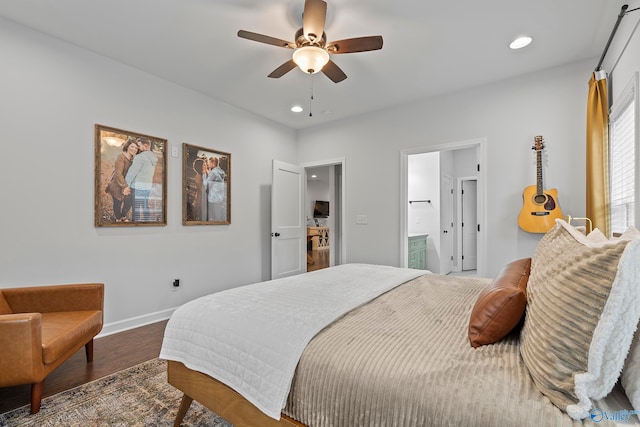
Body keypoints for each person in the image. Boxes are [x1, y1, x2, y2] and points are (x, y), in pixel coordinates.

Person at [125, 139, 158, 222]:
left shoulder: (140, 157)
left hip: (137, 187)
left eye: (139, 146)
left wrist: (126, 185)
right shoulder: (152, 157)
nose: (137, 148)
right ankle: (147, 223)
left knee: (136, 209)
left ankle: (135, 226)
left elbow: (132, 173)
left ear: (145, 146)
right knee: (145, 206)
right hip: (147, 187)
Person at [105, 140, 138, 221]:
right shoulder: (121, 157)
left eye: (136, 148)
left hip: (127, 184)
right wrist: (125, 187)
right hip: (117, 184)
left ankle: (123, 216)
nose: (134, 149)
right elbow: (118, 174)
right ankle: (118, 218)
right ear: (127, 147)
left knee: (128, 203)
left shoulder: (133, 158)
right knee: (117, 203)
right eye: (132, 147)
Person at [202, 156, 226, 221]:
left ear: (213, 163)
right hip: (219, 199)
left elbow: (206, 185)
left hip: (213, 200)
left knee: (213, 219)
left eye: (209, 163)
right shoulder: (220, 172)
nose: (208, 165)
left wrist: (204, 173)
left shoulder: (213, 173)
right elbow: (214, 180)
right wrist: (208, 173)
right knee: (218, 218)